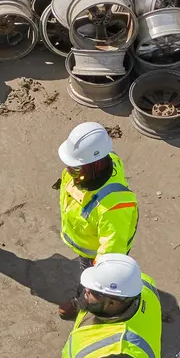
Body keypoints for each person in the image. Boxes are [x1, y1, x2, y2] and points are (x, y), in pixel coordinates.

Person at [56, 122, 139, 319]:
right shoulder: (94, 166)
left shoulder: (114, 207)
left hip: (97, 254)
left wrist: (97, 282)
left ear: (95, 165)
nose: (68, 172)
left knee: (92, 284)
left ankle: (85, 306)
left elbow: (110, 257)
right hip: (86, 240)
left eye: (75, 169)